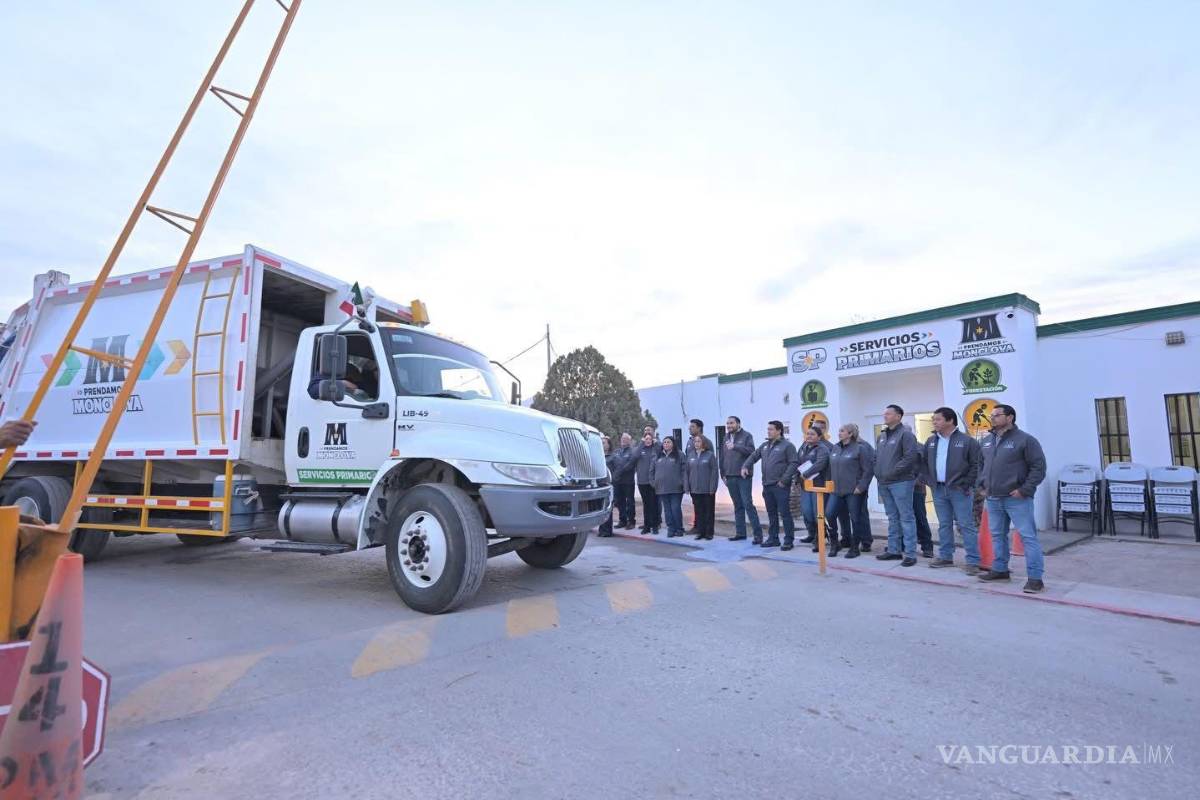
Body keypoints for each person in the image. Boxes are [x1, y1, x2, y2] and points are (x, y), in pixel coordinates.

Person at [977, 404, 1048, 593]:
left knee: (1028, 537)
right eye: (991, 415)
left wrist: (1024, 490)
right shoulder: (986, 441)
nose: (992, 418)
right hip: (993, 498)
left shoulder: (1025, 440)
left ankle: (1035, 578)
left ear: (1010, 417)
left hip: (1017, 498)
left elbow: (1038, 467)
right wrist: (982, 486)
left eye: (997, 415)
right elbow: (980, 465)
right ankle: (1000, 570)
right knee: (997, 536)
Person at [924, 407, 983, 572]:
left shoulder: (967, 441)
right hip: (938, 489)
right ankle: (945, 557)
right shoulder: (931, 441)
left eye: (938, 419)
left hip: (960, 490)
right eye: (933, 419)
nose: (934, 422)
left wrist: (967, 484)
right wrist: (929, 480)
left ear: (950, 420)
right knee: (944, 525)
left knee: (966, 525)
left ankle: (972, 561)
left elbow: (977, 465)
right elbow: (922, 463)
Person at [874, 404, 922, 566]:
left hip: (901, 482)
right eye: (884, 413)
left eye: (888, 413)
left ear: (898, 416)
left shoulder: (906, 435)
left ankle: (910, 553)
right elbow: (877, 457)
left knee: (906, 518)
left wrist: (891, 473)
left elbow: (909, 458)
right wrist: (878, 473)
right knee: (892, 517)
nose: (885, 416)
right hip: (884, 483)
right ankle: (893, 550)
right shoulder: (882, 436)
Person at [742, 420, 798, 549]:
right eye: (768, 429)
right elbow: (753, 456)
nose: (769, 431)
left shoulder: (787, 446)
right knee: (771, 513)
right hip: (767, 485)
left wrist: (784, 480)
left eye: (771, 429)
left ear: (779, 431)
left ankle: (788, 540)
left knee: (784, 513)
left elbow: (793, 463)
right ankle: (773, 538)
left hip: (780, 485)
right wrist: (745, 466)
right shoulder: (765, 446)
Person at [827, 423, 874, 559]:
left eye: (842, 431)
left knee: (855, 519)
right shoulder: (835, 448)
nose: (839, 433)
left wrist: (861, 486)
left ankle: (855, 547)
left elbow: (868, 470)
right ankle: (834, 544)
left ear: (850, 434)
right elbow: (830, 468)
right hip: (836, 491)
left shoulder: (860, 448)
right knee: (829, 515)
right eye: (839, 431)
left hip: (853, 491)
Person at [721, 416, 763, 543]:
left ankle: (758, 535)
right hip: (730, 475)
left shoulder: (747, 436)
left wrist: (735, 447)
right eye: (727, 423)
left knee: (747, 504)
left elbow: (752, 452)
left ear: (738, 424)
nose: (729, 425)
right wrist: (722, 472)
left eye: (731, 423)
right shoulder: (726, 437)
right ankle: (740, 533)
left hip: (743, 476)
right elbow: (722, 456)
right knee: (737, 505)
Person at [795, 427, 833, 554]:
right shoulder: (803, 447)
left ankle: (820, 539)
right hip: (806, 485)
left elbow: (820, 463)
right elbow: (797, 463)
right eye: (808, 433)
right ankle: (812, 534)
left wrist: (806, 474)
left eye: (812, 434)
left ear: (819, 436)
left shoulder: (822, 449)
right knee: (807, 512)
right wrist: (797, 478)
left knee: (818, 514)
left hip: (818, 486)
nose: (809, 436)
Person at [684, 434, 719, 540]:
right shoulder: (690, 455)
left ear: (704, 443)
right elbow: (686, 472)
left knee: (708, 512)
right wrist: (687, 487)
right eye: (695, 442)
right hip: (695, 489)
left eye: (698, 441)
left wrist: (713, 487)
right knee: (698, 512)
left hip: (707, 489)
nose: (696, 443)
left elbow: (714, 472)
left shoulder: (710, 455)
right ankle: (700, 532)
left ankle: (709, 533)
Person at [651, 436, 687, 537]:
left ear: (673, 444)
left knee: (675, 508)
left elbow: (684, 471)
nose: (666, 444)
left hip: (676, 488)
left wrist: (683, 483)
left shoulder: (679, 455)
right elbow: (651, 471)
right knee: (667, 510)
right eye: (664, 442)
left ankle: (679, 529)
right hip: (661, 488)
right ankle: (670, 529)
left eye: (668, 442)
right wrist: (654, 483)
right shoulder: (658, 456)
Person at [683, 419, 714, 532]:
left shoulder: (707, 442)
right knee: (697, 506)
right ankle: (698, 527)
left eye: (692, 426)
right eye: (690, 426)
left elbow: (711, 462)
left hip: (705, 482)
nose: (690, 428)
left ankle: (707, 530)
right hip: (693, 480)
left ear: (699, 428)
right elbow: (688, 461)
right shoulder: (689, 441)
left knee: (707, 508)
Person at [633, 432, 662, 534]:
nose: (648, 441)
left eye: (650, 439)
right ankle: (647, 526)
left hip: (653, 481)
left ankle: (655, 526)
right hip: (642, 481)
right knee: (646, 505)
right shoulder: (640, 450)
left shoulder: (655, 449)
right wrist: (641, 443)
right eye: (646, 439)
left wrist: (656, 442)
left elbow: (662, 448)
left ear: (652, 440)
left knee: (654, 504)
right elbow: (635, 455)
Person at [611, 433, 638, 529]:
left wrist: (619, 472)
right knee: (619, 501)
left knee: (630, 502)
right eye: (622, 438)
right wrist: (614, 476)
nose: (623, 440)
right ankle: (622, 520)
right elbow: (613, 464)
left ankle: (631, 521)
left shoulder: (632, 452)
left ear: (629, 441)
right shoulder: (617, 452)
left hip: (628, 482)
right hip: (617, 482)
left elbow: (630, 465)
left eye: (626, 439)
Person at [912, 474, 936, 558]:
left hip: (917, 488)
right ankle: (901, 544)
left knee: (920, 517)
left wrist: (918, 481)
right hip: (901, 487)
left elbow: (923, 467)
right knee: (901, 517)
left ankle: (927, 547)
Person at [599, 436, 616, 536]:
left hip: (609, 486)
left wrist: (612, 479)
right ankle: (601, 530)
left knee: (608, 508)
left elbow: (618, 470)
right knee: (601, 508)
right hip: (600, 485)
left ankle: (607, 531)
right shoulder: (599, 456)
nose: (602, 444)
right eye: (601, 442)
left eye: (604, 443)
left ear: (609, 445)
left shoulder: (613, 457)